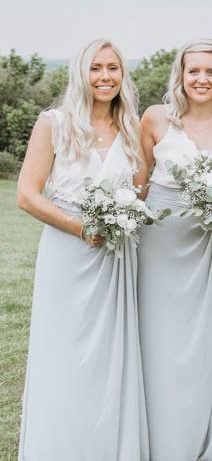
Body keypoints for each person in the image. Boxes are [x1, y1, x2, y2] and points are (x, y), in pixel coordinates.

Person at [16, 39, 148, 460]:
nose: (105, 77)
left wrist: (124, 217)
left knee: (111, 356)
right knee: (65, 354)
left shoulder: (131, 126)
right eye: (95, 68)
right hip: (68, 254)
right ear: (80, 73)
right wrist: (80, 227)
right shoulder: (53, 123)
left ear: (122, 75)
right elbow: (26, 195)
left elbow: (141, 189)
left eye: (112, 68)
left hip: (117, 257)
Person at [136, 38, 212, 460]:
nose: (202, 79)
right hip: (159, 242)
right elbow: (139, 181)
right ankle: (156, 436)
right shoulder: (153, 118)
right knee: (158, 337)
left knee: (202, 341)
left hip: (207, 244)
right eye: (194, 71)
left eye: (211, 72)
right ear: (180, 75)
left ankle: (203, 436)